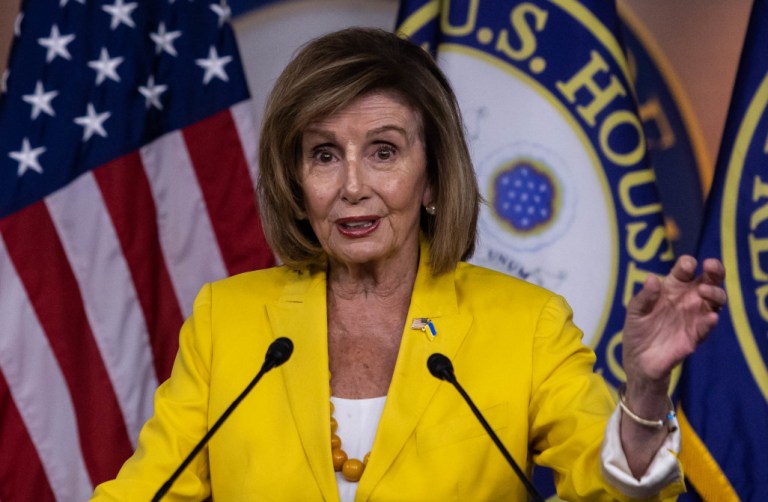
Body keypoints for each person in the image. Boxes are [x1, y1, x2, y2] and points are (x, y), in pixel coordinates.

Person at [91, 27, 726, 501]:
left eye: (384, 151)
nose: (352, 185)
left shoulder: (524, 326)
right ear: (296, 182)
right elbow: (147, 490)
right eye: (323, 155)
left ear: (431, 179)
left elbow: (621, 491)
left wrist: (644, 389)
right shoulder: (227, 321)